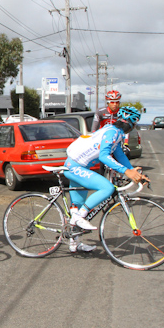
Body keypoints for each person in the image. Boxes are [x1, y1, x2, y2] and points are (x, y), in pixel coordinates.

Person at [63, 106, 149, 252]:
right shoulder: (112, 132)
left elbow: (119, 154)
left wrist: (131, 170)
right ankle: (80, 217)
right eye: (135, 125)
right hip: (74, 166)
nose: (134, 127)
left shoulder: (115, 132)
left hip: (79, 166)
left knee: (76, 206)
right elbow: (104, 156)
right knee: (107, 188)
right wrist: (126, 172)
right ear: (131, 123)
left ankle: (74, 243)